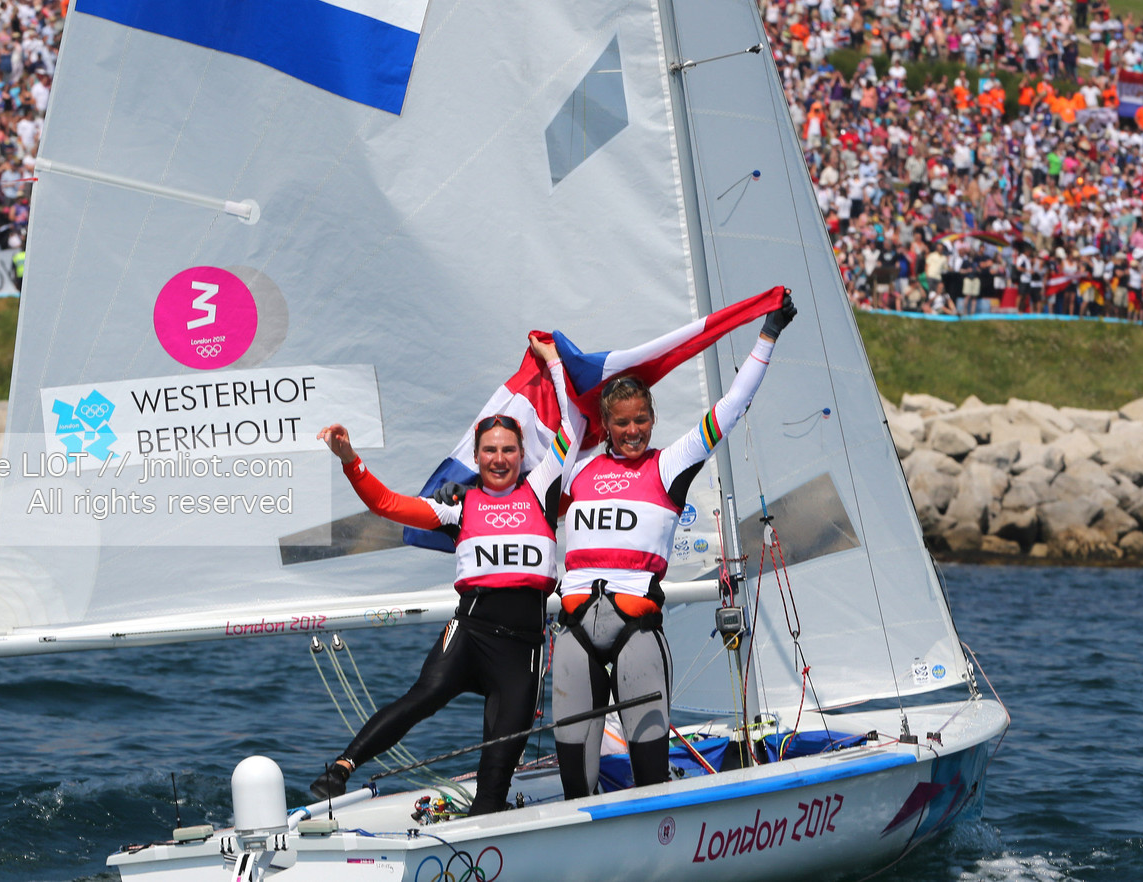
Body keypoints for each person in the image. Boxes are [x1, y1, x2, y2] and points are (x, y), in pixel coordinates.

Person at [309, 336, 573, 816]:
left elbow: (570, 429)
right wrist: (350, 460)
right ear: (477, 457)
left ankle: (485, 827)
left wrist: (554, 363)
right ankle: (343, 768)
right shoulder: (459, 508)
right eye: (489, 450)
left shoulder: (539, 492)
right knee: (423, 696)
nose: (499, 459)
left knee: (496, 774)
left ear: (521, 454)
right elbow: (387, 504)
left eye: (508, 450)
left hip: (523, 648)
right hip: (469, 633)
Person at [552, 294, 797, 800]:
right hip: (574, 632)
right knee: (576, 787)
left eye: (641, 419)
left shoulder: (669, 465)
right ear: (606, 424)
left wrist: (767, 336)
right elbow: (553, 427)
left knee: (649, 782)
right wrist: (555, 365)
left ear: (652, 416)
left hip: (636, 631)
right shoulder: (575, 469)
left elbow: (730, 408)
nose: (633, 430)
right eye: (621, 422)